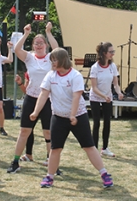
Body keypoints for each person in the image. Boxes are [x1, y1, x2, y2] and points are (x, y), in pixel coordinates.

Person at [30, 48, 113, 188]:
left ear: (63, 60)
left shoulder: (75, 76)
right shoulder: (50, 76)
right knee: (55, 149)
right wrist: (35, 112)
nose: (52, 63)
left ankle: (104, 174)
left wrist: (73, 115)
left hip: (78, 116)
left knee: (89, 146)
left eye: (55, 60)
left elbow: (76, 96)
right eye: (52, 60)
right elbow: (43, 94)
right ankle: (49, 177)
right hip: (58, 117)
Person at [7, 22, 59, 173]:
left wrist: (48, 32)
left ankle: (52, 162)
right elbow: (17, 49)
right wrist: (26, 34)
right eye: (36, 43)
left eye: (41, 43)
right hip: (31, 98)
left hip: (48, 99)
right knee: (24, 131)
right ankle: (15, 162)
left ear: (46, 45)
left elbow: (57, 49)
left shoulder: (51, 57)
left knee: (48, 132)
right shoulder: (29, 57)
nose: (38, 45)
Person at [89, 42, 124, 157]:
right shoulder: (95, 67)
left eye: (113, 52)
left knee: (107, 123)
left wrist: (119, 92)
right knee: (97, 123)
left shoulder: (112, 66)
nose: (113, 54)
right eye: (111, 52)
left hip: (107, 98)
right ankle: (94, 148)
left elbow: (115, 84)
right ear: (104, 53)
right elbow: (94, 88)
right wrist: (104, 96)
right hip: (96, 97)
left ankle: (105, 148)